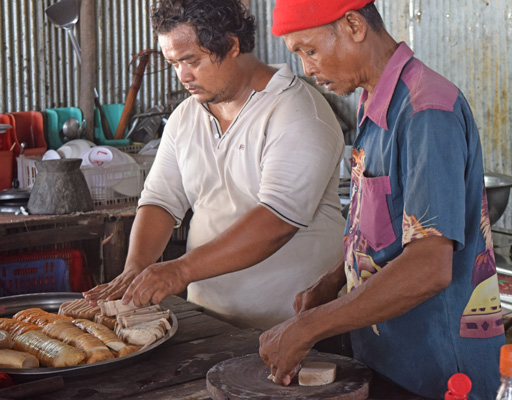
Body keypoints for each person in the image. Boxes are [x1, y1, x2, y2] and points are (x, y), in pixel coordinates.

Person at [259, 1, 506, 399]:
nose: (307, 68)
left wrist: (310, 327)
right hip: (391, 359)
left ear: (354, 25)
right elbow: (385, 224)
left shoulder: (426, 110)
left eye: (309, 50)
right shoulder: (375, 99)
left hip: (440, 373)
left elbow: (429, 267)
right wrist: (333, 281)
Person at [83, 0, 346, 331]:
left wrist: (180, 270)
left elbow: (277, 220)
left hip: (297, 325)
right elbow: (161, 200)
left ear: (232, 45)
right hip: (209, 321)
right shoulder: (186, 116)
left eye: (191, 60)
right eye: (173, 64)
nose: (184, 76)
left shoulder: (297, 111)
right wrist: (136, 266)